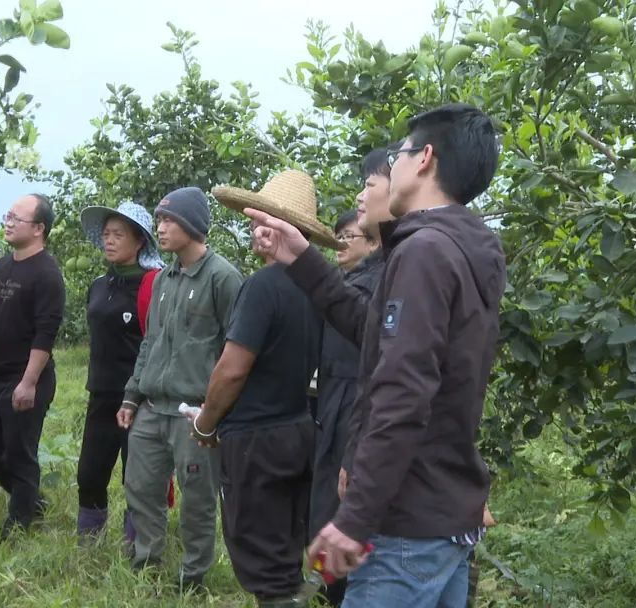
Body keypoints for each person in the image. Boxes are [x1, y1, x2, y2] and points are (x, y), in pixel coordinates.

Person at [249, 103, 505, 608]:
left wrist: (355, 519)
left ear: (425, 158)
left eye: (400, 156)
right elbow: (377, 334)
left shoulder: (425, 251)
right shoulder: (468, 246)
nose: (388, 173)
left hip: (406, 527)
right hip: (442, 519)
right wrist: (302, 258)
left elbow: (402, 392)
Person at [185, 170, 339, 607]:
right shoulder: (321, 288)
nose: (255, 227)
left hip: (257, 440)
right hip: (299, 427)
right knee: (290, 546)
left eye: (266, 220)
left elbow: (232, 369)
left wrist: (205, 422)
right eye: (254, 219)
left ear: (292, 230)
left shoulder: (263, 286)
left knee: (264, 564)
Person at [116, 187, 243, 593]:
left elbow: (236, 351)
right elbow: (150, 342)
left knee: (198, 498)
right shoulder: (164, 280)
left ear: (192, 225)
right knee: (141, 488)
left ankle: (194, 575)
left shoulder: (222, 277)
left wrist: (219, 412)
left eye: (169, 220)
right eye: (160, 219)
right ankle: (146, 560)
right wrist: (131, 395)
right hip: (152, 406)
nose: (161, 227)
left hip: (196, 412)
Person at [307, 151, 391, 607]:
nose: (341, 245)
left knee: (337, 509)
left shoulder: (379, 285)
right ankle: (326, 588)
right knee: (323, 507)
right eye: (336, 238)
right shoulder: (354, 286)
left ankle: (335, 591)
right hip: (332, 405)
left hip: (351, 410)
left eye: (349, 237)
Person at [0, 193, 65, 539]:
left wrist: (28, 383)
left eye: (16, 219)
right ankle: (31, 500)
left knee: (20, 452)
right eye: (7, 216)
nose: (7, 222)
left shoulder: (47, 274)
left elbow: (45, 334)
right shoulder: (0, 267)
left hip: (25, 378)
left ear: (39, 228)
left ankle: (20, 524)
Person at [75, 202, 163, 541]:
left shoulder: (154, 285)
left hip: (139, 398)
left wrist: (139, 391)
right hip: (101, 392)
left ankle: (137, 543)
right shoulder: (99, 284)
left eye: (118, 235)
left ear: (139, 241)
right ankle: (88, 541)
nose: (109, 241)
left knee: (137, 475)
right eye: (106, 234)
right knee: (90, 472)